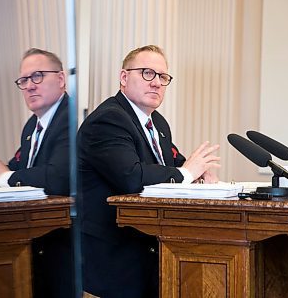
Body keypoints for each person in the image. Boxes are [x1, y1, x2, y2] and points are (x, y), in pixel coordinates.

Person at [78, 45, 220, 298]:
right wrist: (187, 173)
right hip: (114, 257)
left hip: (149, 247)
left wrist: (200, 174)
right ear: (124, 77)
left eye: (163, 77)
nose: (156, 83)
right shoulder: (108, 120)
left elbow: (171, 165)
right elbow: (132, 177)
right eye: (147, 73)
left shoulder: (158, 123)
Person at [0, 48, 73, 298]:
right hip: (34, 241)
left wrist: (1, 177)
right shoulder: (32, 126)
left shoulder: (72, 119)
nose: (29, 86)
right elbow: (19, 169)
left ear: (61, 79)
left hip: (63, 247)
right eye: (23, 81)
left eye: (37, 76)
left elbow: (57, 178)